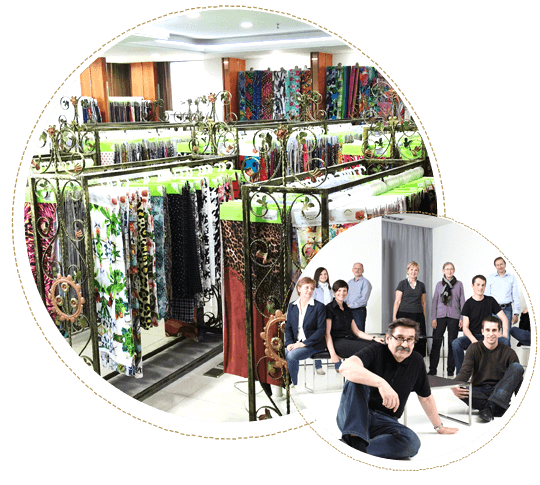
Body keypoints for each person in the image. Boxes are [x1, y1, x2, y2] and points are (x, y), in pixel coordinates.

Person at [337, 318, 458, 459]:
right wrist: (381, 383)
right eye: (399, 338)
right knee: (355, 380)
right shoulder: (376, 350)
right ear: (388, 338)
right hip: (355, 415)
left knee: (411, 443)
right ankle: (356, 440)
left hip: (385, 421)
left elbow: (425, 397)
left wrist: (439, 427)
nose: (405, 344)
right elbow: (345, 367)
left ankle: (353, 445)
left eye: (410, 339)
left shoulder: (417, 361)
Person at [452, 316, 524, 422]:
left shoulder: (509, 352)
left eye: (494, 330)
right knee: (462, 390)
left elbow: (517, 379)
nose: (491, 334)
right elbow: (465, 372)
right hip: (479, 391)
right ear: (482, 331)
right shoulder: (473, 348)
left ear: (499, 332)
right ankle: (498, 406)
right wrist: (454, 385)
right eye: (487, 330)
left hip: (500, 389)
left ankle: (489, 407)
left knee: (517, 367)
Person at [452, 275, 509, 374]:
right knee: (456, 343)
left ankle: (500, 374)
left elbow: (504, 319)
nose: (480, 287)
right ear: (472, 286)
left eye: (483, 285)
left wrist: (504, 334)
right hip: (472, 337)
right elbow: (465, 327)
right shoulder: (468, 304)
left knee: (505, 341)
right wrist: (473, 340)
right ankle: (461, 375)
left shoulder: (490, 300)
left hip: (488, 335)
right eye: (478, 285)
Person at [325, 280, 385, 367]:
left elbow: (357, 332)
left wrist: (374, 338)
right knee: (371, 349)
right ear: (334, 292)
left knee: (378, 345)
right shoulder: (329, 308)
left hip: (350, 339)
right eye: (339, 290)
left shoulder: (347, 309)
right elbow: (327, 334)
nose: (342, 293)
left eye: (344, 291)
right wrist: (332, 353)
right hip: (338, 342)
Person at [284, 276, 326, 386]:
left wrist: (303, 344)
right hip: (296, 342)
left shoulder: (319, 307)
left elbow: (321, 330)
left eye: (312, 288)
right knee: (285, 352)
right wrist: (289, 343)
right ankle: (286, 383)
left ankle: (293, 385)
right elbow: (288, 327)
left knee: (291, 355)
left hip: (314, 343)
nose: (310, 290)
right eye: (306, 287)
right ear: (299, 289)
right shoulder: (292, 306)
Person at [430, 262, 466, 376]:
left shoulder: (459, 284)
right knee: (436, 343)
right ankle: (432, 370)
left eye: (451, 269)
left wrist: (462, 318)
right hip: (440, 316)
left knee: (452, 343)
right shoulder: (439, 285)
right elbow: (435, 301)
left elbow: (462, 301)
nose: (449, 271)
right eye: (447, 269)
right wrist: (433, 317)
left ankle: (450, 371)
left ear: (454, 271)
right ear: (443, 271)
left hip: (454, 316)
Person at [392, 261, 427, 357]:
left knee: (419, 338)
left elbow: (423, 303)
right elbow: (397, 301)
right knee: (403, 337)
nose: (413, 272)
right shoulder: (402, 284)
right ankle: (402, 357)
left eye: (416, 270)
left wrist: (424, 316)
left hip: (418, 315)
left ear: (418, 272)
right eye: (411, 269)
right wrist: (394, 317)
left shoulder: (421, 285)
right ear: (407, 271)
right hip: (403, 314)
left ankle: (418, 359)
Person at [485, 257, 521, 346]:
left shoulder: (512, 277)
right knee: (493, 335)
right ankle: (494, 355)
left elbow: (515, 296)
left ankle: (507, 355)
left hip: (507, 309)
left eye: (501, 264)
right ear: (495, 266)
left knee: (506, 336)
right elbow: (487, 296)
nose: (500, 266)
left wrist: (516, 313)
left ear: (505, 264)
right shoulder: (490, 278)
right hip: (494, 310)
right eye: (497, 265)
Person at [313, 267, 333, 375]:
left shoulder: (330, 289)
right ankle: (318, 366)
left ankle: (337, 365)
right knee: (319, 339)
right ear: (317, 276)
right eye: (321, 274)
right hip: (319, 316)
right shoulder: (315, 289)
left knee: (332, 337)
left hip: (330, 315)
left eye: (325, 274)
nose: (323, 276)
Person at [345, 262, 372, 333]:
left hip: (359, 311)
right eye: (355, 268)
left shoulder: (366, 283)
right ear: (352, 270)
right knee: (349, 331)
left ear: (363, 271)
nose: (357, 270)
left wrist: (350, 305)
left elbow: (363, 300)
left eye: (359, 269)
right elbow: (346, 296)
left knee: (359, 332)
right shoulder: (349, 282)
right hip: (348, 310)